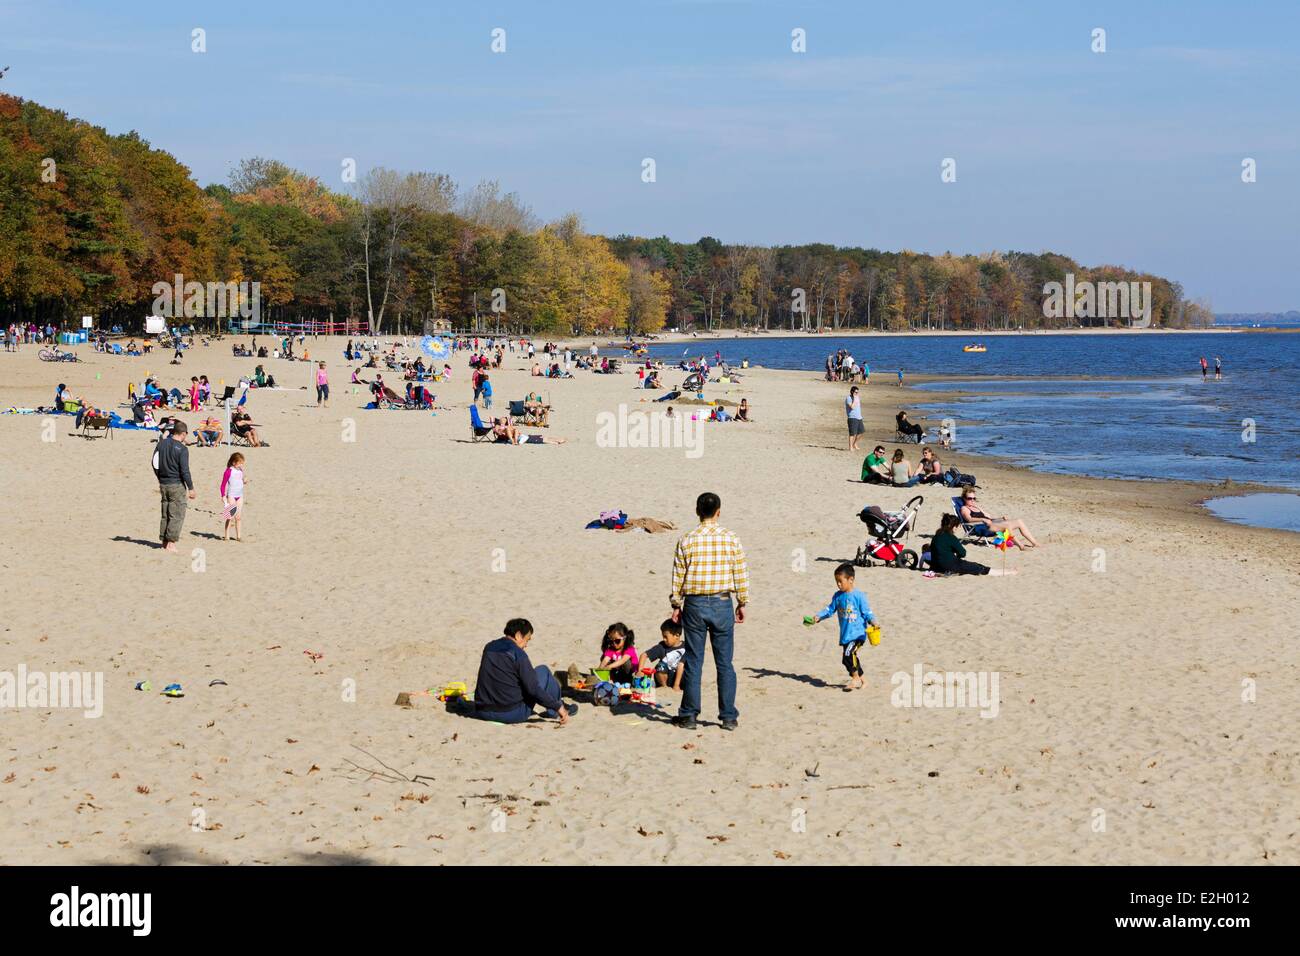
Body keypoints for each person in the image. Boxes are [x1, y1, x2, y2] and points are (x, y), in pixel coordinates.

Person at [669, 492, 749, 731]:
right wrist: (742, 601)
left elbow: (678, 576)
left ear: (697, 511)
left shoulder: (687, 539)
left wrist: (676, 604)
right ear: (719, 511)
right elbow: (740, 572)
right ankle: (728, 716)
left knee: (694, 660)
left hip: (694, 603)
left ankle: (690, 714)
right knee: (725, 663)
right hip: (722, 601)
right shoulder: (731, 538)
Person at [472, 619, 575, 724]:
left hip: (482, 711)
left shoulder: (489, 647)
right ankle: (558, 709)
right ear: (518, 635)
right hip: (509, 714)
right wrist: (558, 707)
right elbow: (533, 689)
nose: (526, 645)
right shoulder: (518, 654)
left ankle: (556, 705)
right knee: (543, 671)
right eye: (527, 640)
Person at [803, 562, 877, 691]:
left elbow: (867, 612)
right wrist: (818, 617)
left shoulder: (859, 596)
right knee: (847, 659)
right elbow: (829, 609)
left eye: (840, 581)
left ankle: (855, 678)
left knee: (849, 653)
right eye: (836, 581)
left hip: (858, 634)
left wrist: (873, 622)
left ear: (851, 579)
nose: (838, 584)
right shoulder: (838, 596)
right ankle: (864, 680)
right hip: (846, 635)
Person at [152, 420, 195, 552]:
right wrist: (191, 487)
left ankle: (164, 541)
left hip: (163, 483)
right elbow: (185, 471)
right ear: (183, 433)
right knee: (176, 514)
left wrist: (159, 477)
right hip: (176, 484)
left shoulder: (161, 443)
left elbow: (154, 463)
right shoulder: (182, 449)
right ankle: (171, 542)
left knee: (165, 512)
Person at [930, 514, 1016, 576]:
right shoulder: (951, 537)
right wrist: (957, 555)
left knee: (970, 565)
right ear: (954, 527)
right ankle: (1007, 572)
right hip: (950, 566)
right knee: (977, 567)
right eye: (958, 526)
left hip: (936, 567)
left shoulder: (936, 536)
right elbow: (963, 553)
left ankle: (1004, 571)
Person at [959, 486, 1041, 547]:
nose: (972, 500)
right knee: (1007, 526)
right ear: (964, 498)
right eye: (969, 498)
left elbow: (989, 517)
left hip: (992, 523)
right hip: (982, 527)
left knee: (1019, 521)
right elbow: (969, 519)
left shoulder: (976, 506)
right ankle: (1021, 546)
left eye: (974, 498)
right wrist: (982, 518)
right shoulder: (964, 508)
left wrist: (1000, 518)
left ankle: (1034, 543)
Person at [644, 619, 687, 690]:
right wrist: (640, 670)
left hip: (681, 679)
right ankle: (664, 687)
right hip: (668, 680)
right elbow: (644, 655)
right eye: (663, 637)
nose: (664, 639)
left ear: (677, 635)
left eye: (666, 637)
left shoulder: (686, 647)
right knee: (660, 666)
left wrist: (676, 685)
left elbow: (681, 665)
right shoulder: (662, 646)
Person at [220, 452, 247, 541]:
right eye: (240, 463)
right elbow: (223, 485)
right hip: (231, 495)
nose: (241, 465)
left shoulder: (241, 470)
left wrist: (245, 480)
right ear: (234, 462)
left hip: (240, 495)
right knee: (230, 517)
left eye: (242, 463)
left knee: (238, 517)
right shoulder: (228, 471)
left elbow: (242, 480)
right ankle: (227, 536)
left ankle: (238, 536)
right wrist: (223, 495)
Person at [845, 386, 864, 452]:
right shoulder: (849, 398)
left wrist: (856, 397)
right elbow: (852, 407)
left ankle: (855, 443)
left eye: (858, 392)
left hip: (859, 417)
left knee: (861, 431)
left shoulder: (857, 397)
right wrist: (855, 399)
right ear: (852, 392)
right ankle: (850, 447)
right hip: (852, 417)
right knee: (852, 433)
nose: (857, 394)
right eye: (856, 392)